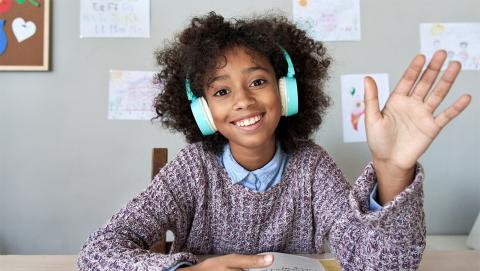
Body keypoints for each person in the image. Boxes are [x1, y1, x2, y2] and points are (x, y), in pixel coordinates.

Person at [77, 12, 471, 271]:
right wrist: (187, 269)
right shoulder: (191, 169)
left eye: (258, 82)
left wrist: (392, 170)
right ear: (201, 111)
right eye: (221, 92)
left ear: (287, 93)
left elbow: (380, 265)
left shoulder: (312, 166)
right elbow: (97, 252)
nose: (244, 101)